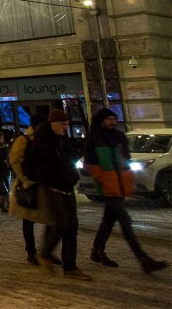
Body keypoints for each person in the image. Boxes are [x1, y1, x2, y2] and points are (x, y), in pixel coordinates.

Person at [85, 108, 168, 273]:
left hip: (120, 185)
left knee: (108, 221)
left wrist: (127, 179)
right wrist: (105, 180)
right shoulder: (94, 139)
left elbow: (126, 161)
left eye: (114, 119)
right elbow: (91, 165)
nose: (112, 122)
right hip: (109, 188)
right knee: (125, 221)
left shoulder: (119, 136)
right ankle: (143, 259)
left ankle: (97, 251)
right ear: (101, 121)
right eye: (109, 119)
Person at [25, 108, 91, 280]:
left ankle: (70, 267)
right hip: (51, 187)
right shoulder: (41, 141)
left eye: (67, 124)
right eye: (62, 124)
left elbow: (69, 158)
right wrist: (46, 175)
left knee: (72, 227)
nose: (65, 127)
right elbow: (31, 165)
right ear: (53, 123)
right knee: (62, 224)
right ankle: (45, 253)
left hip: (67, 185)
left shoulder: (64, 139)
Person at [8, 112, 54, 265]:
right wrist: (24, 180)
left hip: (44, 184)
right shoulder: (24, 139)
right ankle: (31, 251)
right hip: (29, 186)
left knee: (51, 218)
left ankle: (47, 250)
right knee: (28, 220)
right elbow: (15, 161)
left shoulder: (45, 138)